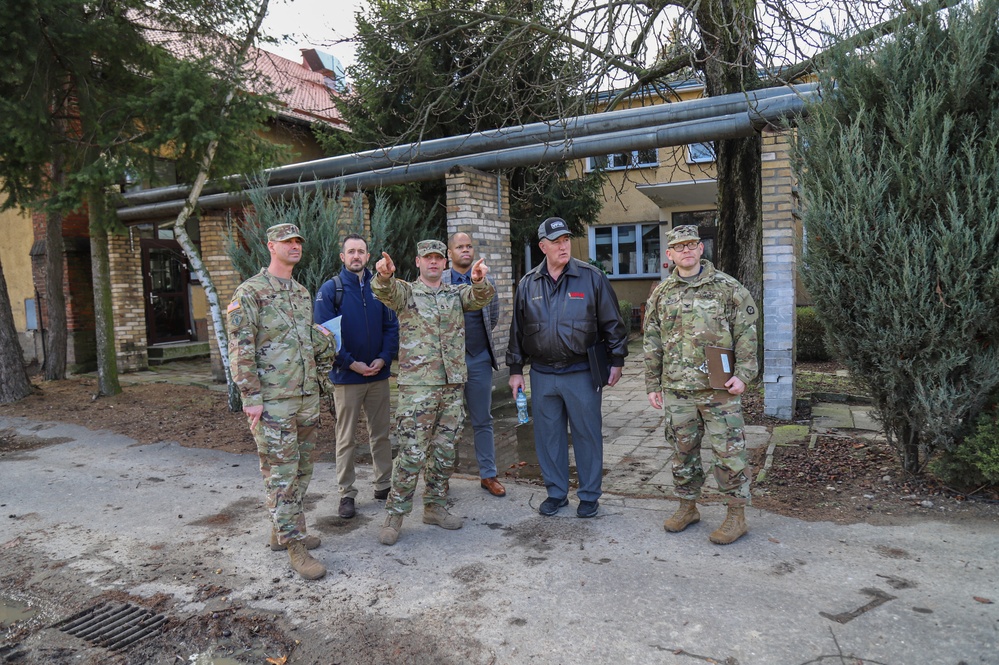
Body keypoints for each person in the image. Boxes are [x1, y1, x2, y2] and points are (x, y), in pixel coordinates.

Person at [227, 223, 336, 580]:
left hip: (304, 397)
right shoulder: (250, 292)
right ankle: (294, 545)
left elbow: (299, 341)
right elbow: (241, 347)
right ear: (270, 245)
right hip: (272, 402)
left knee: (303, 469)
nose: (295, 246)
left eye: (298, 241)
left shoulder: (302, 293)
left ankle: (281, 530)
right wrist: (251, 397)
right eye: (288, 242)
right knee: (282, 475)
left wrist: (320, 339)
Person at [372, 239, 495, 545]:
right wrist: (385, 276)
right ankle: (395, 515)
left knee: (443, 452)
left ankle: (434, 507)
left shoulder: (455, 294)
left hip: (452, 386)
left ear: (444, 262)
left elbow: (481, 297)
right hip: (418, 389)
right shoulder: (407, 292)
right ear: (418, 262)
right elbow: (384, 292)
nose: (434, 262)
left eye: (438, 258)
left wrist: (479, 280)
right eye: (428, 258)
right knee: (412, 454)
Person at [643, 224, 759, 545]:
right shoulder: (662, 293)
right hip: (678, 389)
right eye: (679, 247)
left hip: (719, 390)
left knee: (728, 451)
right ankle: (687, 507)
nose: (687, 251)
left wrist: (745, 373)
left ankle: (736, 515)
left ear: (701, 249)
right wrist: (653, 383)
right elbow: (652, 339)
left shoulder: (727, 288)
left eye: (692, 244)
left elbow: (746, 333)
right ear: (669, 254)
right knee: (683, 452)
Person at [506, 217, 628, 519]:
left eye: (566, 240)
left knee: (587, 434)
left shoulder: (591, 277)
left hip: (582, 372)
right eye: (556, 241)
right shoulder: (527, 284)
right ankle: (557, 493)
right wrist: (515, 369)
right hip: (544, 374)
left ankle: (588, 495)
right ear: (542, 246)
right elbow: (517, 330)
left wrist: (617, 360)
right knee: (549, 437)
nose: (563, 245)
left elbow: (612, 322)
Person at [314, 233, 399, 520]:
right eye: (351, 251)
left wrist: (383, 358)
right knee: (346, 438)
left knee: (381, 435)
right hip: (347, 377)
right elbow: (324, 335)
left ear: (367, 255)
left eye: (361, 251)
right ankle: (346, 494)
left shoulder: (380, 289)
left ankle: (384, 485)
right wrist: (351, 364)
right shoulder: (331, 290)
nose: (356, 256)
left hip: (378, 375)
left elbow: (392, 328)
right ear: (342, 257)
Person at [442, 232, 505, 497]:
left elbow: (493, 316)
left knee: (483, 420)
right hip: (448, 363)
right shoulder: (438, 281)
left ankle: (488, 475)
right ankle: (441, 477)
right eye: (460, 247)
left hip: (478, 358)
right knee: (446, 422)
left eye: (469, 246)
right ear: (450, 253)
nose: (465, 250)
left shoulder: (486, 281)